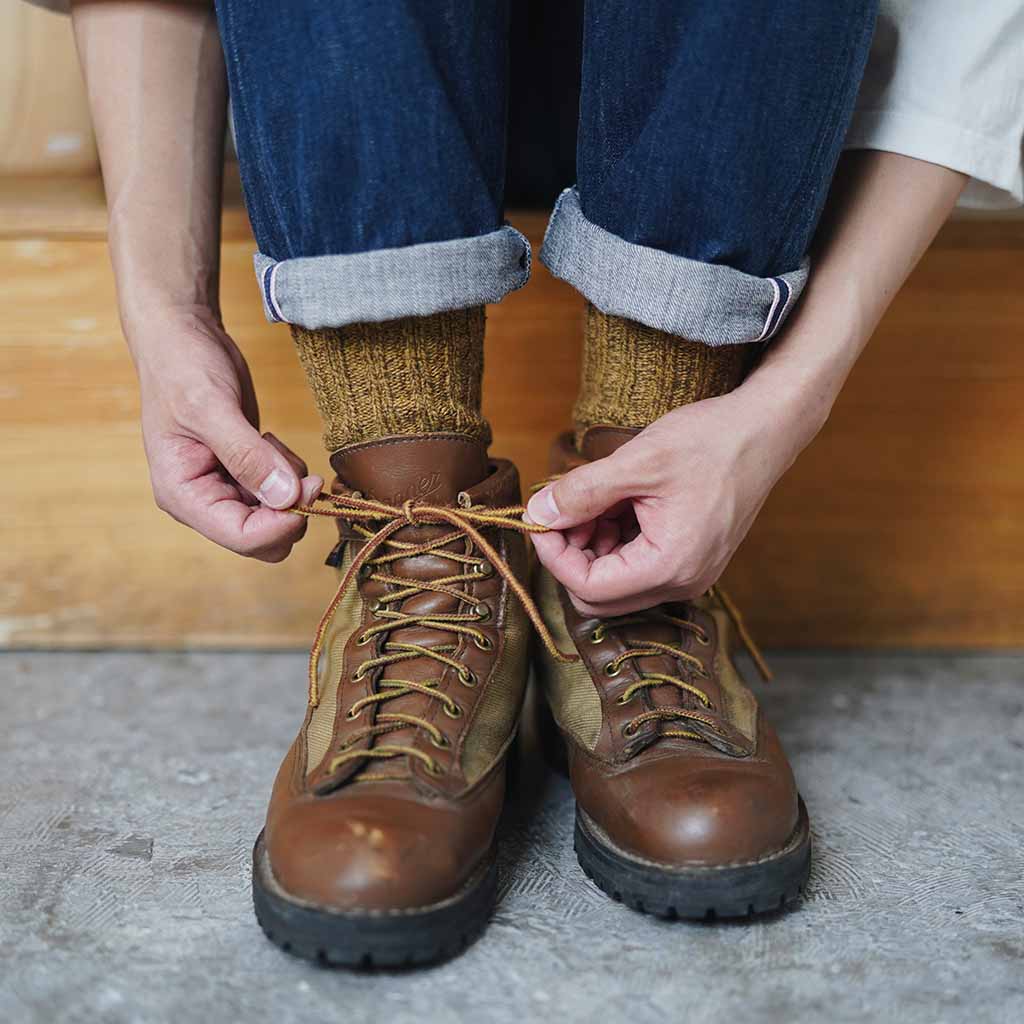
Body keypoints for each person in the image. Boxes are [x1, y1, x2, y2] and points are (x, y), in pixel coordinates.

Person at [62, 0, 1021, 968]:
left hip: (730, 95)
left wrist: (794, 394)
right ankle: (426, 560)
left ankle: (627, 566)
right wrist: (163, 307)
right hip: (341, 84)